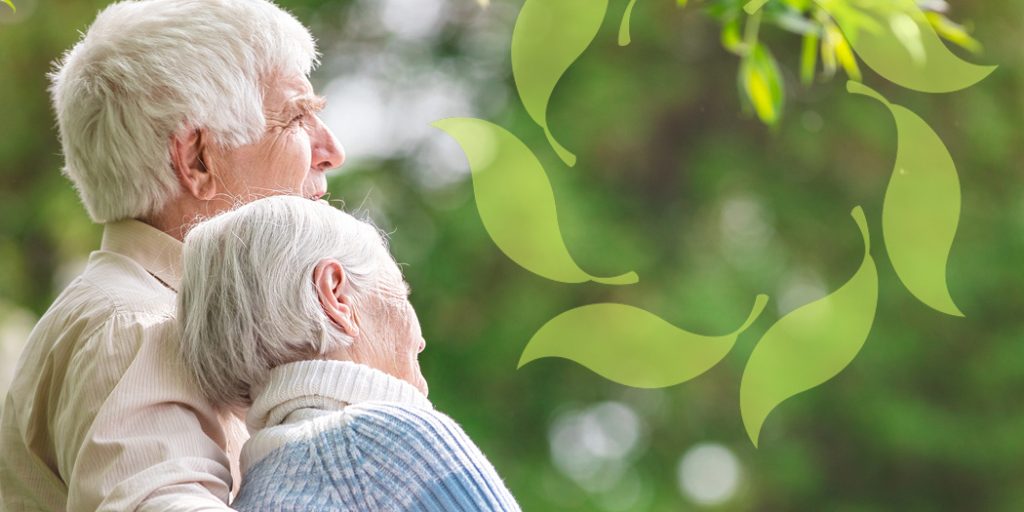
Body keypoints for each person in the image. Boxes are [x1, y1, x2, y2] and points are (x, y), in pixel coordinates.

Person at [0, 0, 344, 509]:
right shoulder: (138, 329)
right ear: (197, 159)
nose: (332, 150)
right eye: (297, 118)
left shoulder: (165, 315)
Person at [176, 195, 521, 511]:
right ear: (336, 296)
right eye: (402, 291)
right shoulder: (395, 442)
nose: (421, 340)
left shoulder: (249, 496)